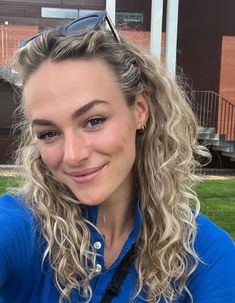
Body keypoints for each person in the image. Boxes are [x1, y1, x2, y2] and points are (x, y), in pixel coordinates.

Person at [0, 11, 235, 303]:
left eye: (94, 121)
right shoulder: (21, 228)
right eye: (49, 133)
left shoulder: (206, 255)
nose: (73, 155)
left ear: (139, 109)